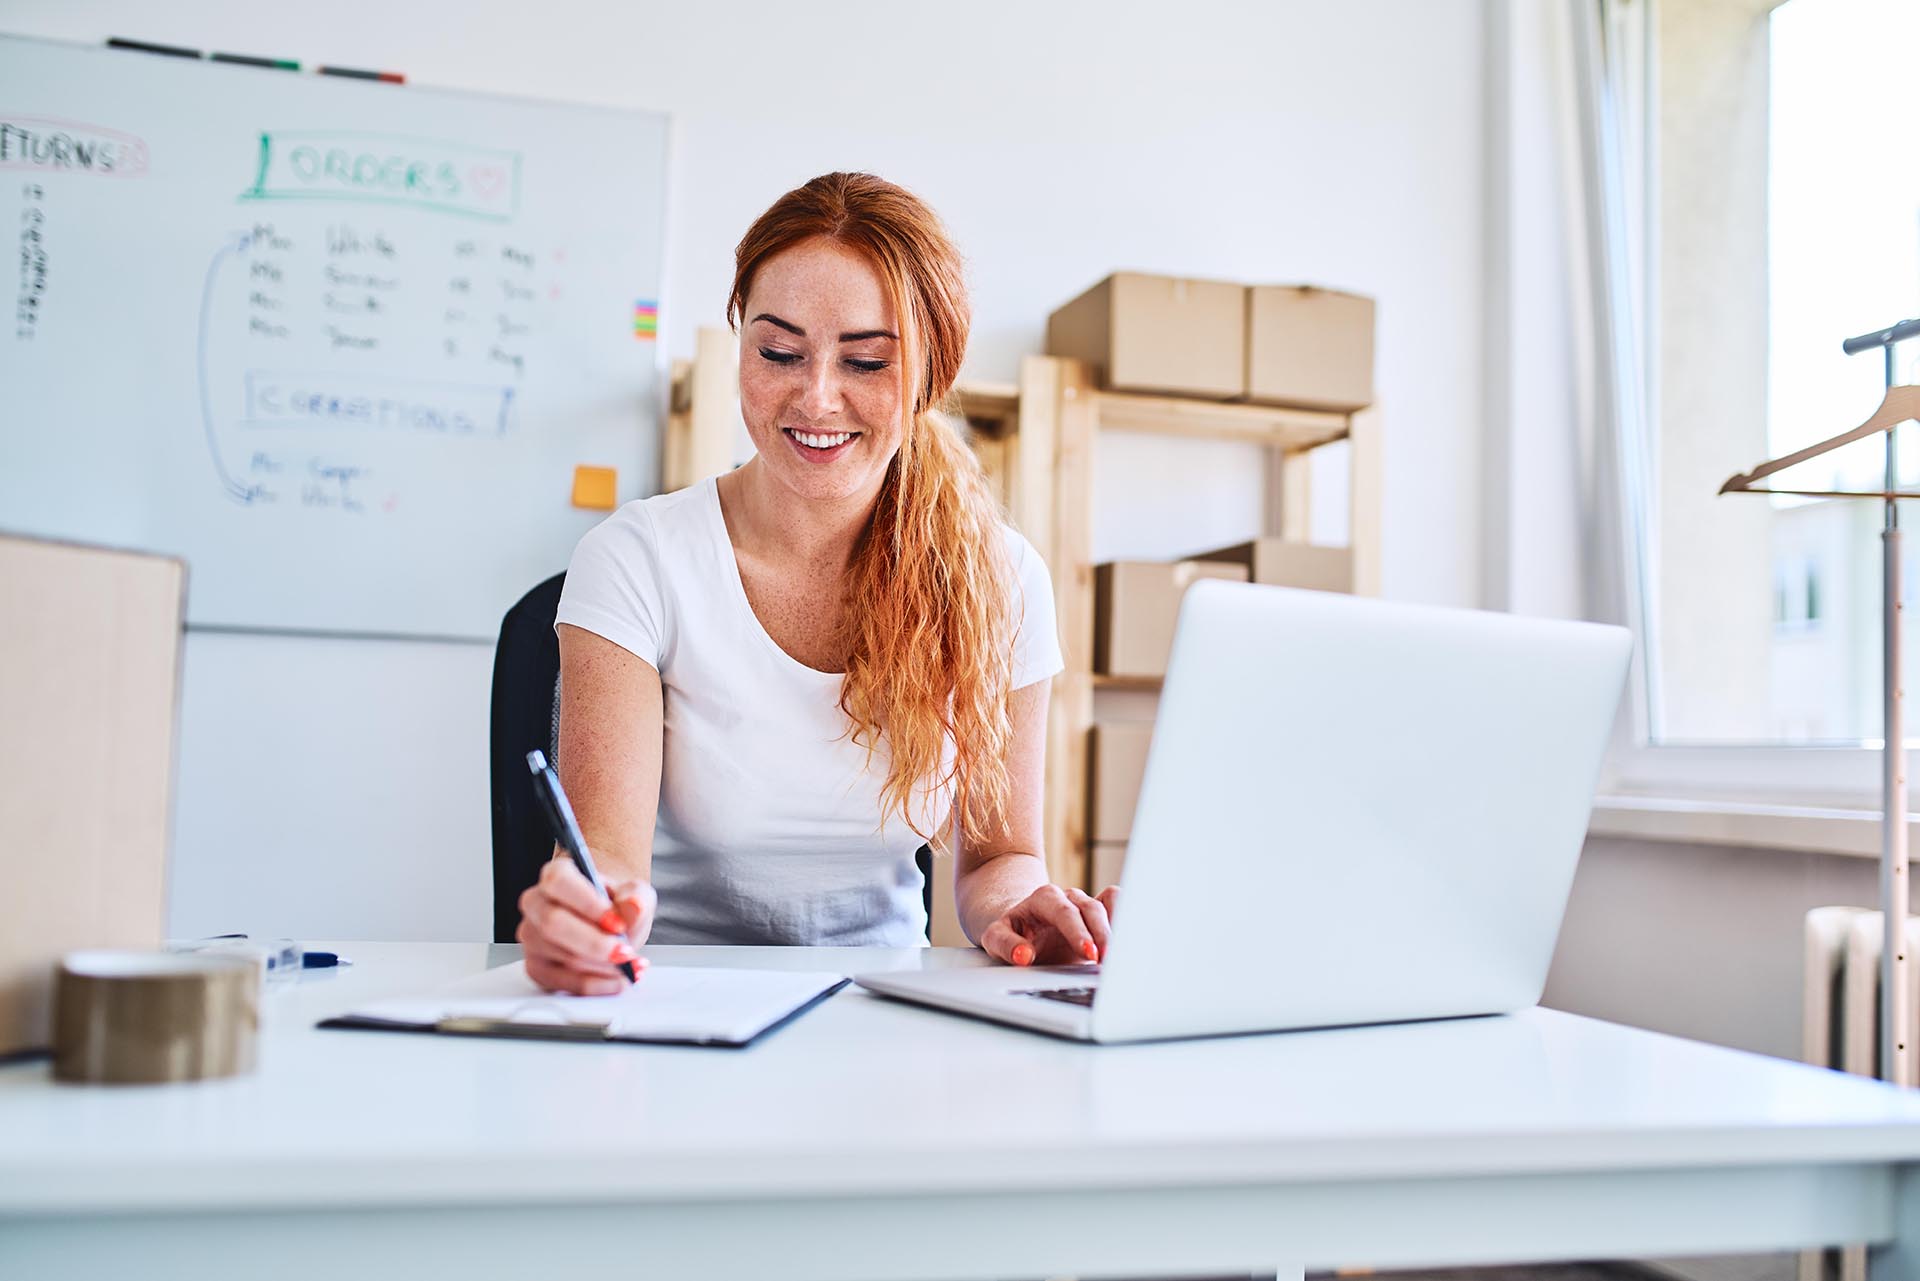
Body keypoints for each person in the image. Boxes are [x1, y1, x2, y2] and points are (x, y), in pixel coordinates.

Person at [517, 172, 1119, 995]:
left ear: (927, 379)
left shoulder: (1000, 579)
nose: (817, 397)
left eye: (867, 360)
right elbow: (606, 860)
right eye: (778, 352)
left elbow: (998, 858)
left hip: (886, 1009)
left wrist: (1024, 911)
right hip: (676, 1001)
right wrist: (588, 916)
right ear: (741, 348)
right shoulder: (637, 561)